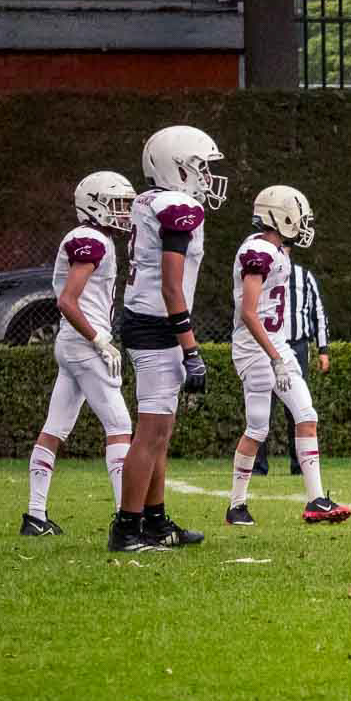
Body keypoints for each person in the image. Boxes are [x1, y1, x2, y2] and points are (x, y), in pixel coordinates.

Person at [111, 125, 227, 553]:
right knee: (151, 432)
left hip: (146, 320)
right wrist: (191, 348)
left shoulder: (151, 202)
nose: (207, 176)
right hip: (157, 326)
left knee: (161, 431)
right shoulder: (177, 208)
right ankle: (127, 529)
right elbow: (171, 288)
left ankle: (155, 522)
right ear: (177, 167)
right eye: (201, 167)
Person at [225, 186, 350, 527]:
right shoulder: (258, 252)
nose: (303, 224)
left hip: (274, 343)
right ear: (280, 217)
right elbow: (249, 313)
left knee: (300, 415)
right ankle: (239, 505)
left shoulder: (273, 249)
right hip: (255, 347)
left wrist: (278, 353)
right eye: (298, 217)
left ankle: (313, 500)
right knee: (263, 426)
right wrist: (275, 358)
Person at [22, 171, 138, 537]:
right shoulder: (90, 240)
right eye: (117, 204)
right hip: (84, 345)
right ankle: (126, 518)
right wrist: (99, 339)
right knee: (120, 427)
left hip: (72, 344)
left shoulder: (97, 239)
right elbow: (67, 301)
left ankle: (35, 515)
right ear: (94, 204)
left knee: (54, 428)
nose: (123, 212)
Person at [253, 257, 331, 476]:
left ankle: (300, 464)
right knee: (262, 407)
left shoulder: (304, 276)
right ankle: (257, 466)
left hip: (297, 346)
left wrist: (323, 349)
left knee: (298, 408)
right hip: (267, 345)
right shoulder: (261, 272)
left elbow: (318, 312)